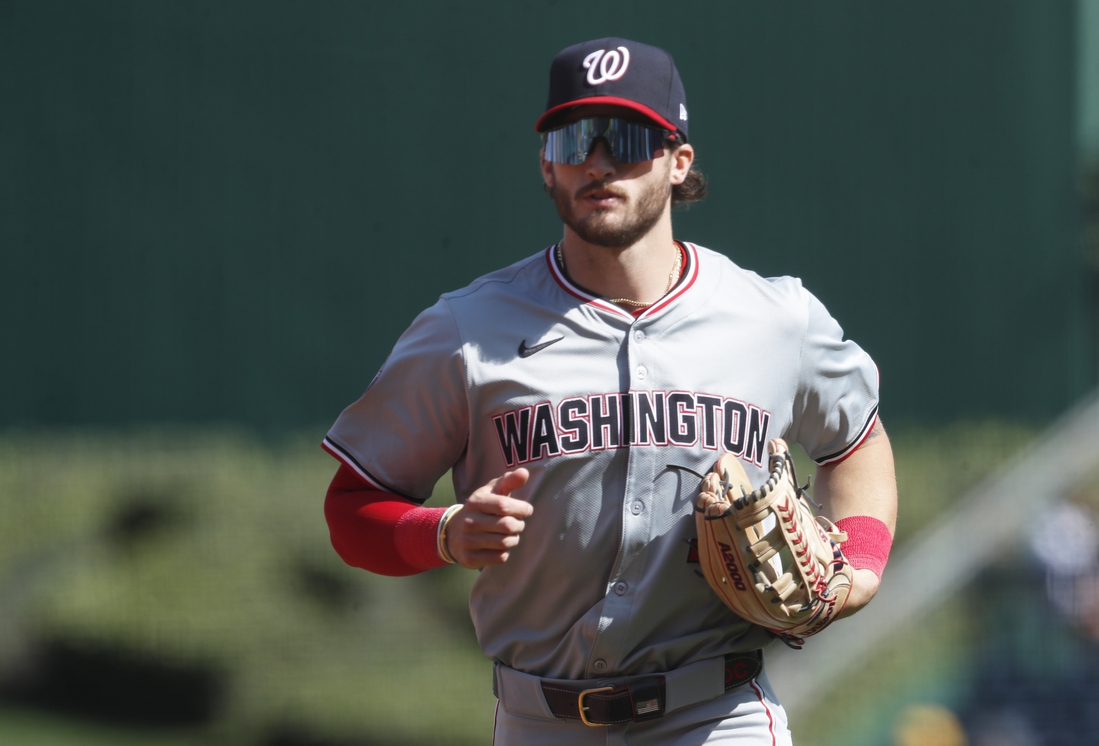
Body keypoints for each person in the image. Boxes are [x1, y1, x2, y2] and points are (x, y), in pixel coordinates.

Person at [322, 37, 898, 745]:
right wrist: (440, 533)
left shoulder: (774, 320)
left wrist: (862, 565)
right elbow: (351, 508)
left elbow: (856, 439)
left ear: (677, 159)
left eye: (625, 138)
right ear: (546, 164)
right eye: (573, 140)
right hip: (540, 719)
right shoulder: (464, 331)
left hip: (716, 711)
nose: (597, 162)